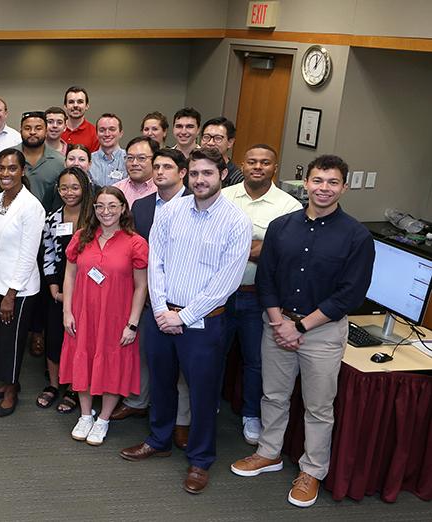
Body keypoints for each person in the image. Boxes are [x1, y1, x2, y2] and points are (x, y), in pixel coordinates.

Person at [231, 154, 372, 508]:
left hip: (321, 332)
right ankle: (269, 452)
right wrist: (280, 322)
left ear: (344, 186)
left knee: (318, 407)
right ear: (305, 183)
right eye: (318, 181)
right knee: (273, 395)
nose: (324, 188)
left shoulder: (357, 235)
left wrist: (300, 326)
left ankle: (312, 470)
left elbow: (350, 294)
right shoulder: (282, 226)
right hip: (277, 324)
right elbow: (267, 279)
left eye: (332, 182)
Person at [119, 148, 250, 496]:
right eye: (194, 174)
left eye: (207, 173)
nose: (200, 180)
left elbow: (227, 281)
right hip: (162, 315)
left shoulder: (237, 221)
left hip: (204, 323)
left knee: (204, 393)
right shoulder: (171, 210)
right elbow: (156, 260)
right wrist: (161, 309)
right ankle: (159, 440)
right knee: (161, 384)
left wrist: (185, 316)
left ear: (222, 174)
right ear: (186, 175)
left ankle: (201, 458)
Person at [221, 144, 303, 445]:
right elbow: (212, 241)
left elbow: (283, 253)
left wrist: (240, 245)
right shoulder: (224, 196)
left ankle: (251, 413)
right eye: (252, 161)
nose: (258, 167)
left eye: (265, 163)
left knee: (256, 360)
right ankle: (209, 407)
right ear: (242, 164)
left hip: (259, 298)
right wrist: (259, 243)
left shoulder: (289, 206)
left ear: (274, 168)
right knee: (213, 354)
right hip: (219, 295)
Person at [60, 187, 149, 446]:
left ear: (123, 208)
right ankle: (86, 415)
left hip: (116, 316)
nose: (105, 212)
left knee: (112, 364)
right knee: (83, 360)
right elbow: (70, 275)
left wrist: (132, 324)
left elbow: (141, 286)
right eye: (100, 206)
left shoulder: (136, 242)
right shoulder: (81, 237)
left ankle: (104, 419)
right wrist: (67, 311)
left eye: (112, 206)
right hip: (83, 313)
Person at [114, 148, 191, 428]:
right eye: (156, 166)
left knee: (183, 367)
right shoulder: (143, 206)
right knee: (146, 353)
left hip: (185, 297)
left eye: (166, 167)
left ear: (182, 173)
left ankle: (182, 422)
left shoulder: (195, 205)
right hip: (148, 292)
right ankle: (139, 403)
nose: (159, 172)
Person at [0, 149, 45, 417]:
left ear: (22, 171)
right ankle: (5, 381)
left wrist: (11, 294)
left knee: (12, 339)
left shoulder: (32, 206)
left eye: (11, 168)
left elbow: (27, 255)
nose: (5, 174)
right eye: (1, 168)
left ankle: (12, 389)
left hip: (18, 288)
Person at [38, 167, 95, 413]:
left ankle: (74, 387)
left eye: (74, 187)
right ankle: (53, 384)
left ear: (84, 188)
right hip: (58, 286)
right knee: (54, 336)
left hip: (89, 287)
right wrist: (53, 287)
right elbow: (48, 253)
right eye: (64, 187)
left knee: (80, 339)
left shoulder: (94, 218)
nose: (69, 192)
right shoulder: (53, 218)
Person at [111, 136, 161, 205]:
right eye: (130, 158)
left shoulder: (162, 190)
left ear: (155, 160)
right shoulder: (116, 190)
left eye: (141, 158)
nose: (134, 163)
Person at [201, 117, 245, 186]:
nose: (210, 143)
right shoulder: (193, 169)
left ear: (230, 142)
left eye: (218, 138)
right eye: (206, 137)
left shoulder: (237, 179)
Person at [88, 114, 127, 188]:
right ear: (96, 134)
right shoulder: (88, 161)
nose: (107, 134)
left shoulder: (129, 159)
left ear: (121, 133)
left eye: (112, 129)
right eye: (102, 130)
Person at [61, 86, 99, 152]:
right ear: (65, 106)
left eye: (80, 102)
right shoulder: (55, 130)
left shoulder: (95, 134)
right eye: (71, 102)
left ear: (87, 106)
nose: (75, 105)